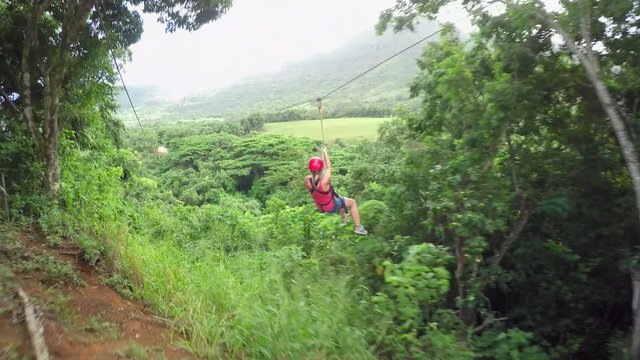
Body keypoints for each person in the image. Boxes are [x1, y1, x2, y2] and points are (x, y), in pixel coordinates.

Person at [305, 146, 368, 235]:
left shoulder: (308, 180)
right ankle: (358, 227)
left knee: (339, 198)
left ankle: (344, 218)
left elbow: (321, 170)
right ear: (320, 168)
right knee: (352, 203)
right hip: (332, 206)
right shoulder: (324, 182)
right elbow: (328, 168)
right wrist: (326, 153)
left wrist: (322, 157)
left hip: (321, 207)